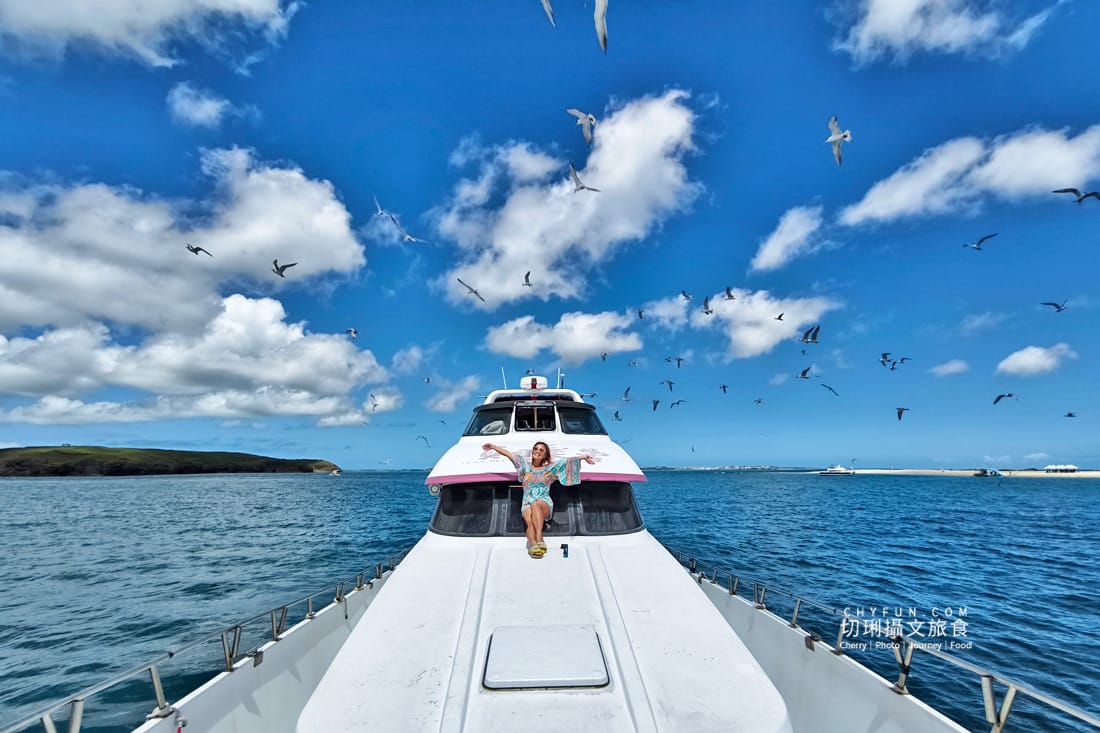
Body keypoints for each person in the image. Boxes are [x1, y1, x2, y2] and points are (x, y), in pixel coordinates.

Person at [482, 441, 595, 558]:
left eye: (541, 450)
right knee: (530, 524)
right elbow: (509, 455)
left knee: (536, 505)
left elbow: (566, 462)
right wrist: (493, 447)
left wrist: (582, 457)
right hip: (526, 501)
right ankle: (533, 545)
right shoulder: (524, 466)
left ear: (545, 455)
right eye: (536, 448)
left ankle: (540, 538)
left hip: (543, 501)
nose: (537, 451)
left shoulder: (550, 469)